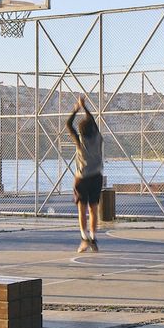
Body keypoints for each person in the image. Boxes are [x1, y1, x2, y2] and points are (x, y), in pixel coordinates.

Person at [66, 95, 105, 257]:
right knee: (93, 209)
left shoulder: (79, 142)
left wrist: (76, 108)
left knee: (82, 210)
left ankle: (84, 238)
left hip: (82, 178)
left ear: (81, 130)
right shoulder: (98, 138)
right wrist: (86, 108)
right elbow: (92, 121)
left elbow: (68, 124)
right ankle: (94, 239)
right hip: (97, 177)